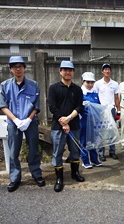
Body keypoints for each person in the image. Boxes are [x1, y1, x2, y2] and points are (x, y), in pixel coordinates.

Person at [0, 56, 45, 192]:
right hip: (14, 123)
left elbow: (36, 105)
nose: (18, 69)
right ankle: (15, 178)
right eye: (14, 66)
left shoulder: (34, 84)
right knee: (13, 151)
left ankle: (36, 174)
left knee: (34, 149)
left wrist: (29, 119)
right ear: (11, 69)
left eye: (20, 66)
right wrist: (16, 120)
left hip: (30, 122)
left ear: (24, 68)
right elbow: (3, 106)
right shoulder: (5, 85)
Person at [48, 60, 85, 192]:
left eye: (70, 70)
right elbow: (52, 107)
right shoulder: (53, 88)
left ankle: (75, 173)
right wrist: (63, 122)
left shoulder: (77, 89)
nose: (67, 72)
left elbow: (79, 106)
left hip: (74, 125)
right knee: (57, 152)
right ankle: (59, 179)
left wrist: (68, 119)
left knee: (75, 151)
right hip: (58, 127)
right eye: (64, 69)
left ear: (73, 72)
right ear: (60, 71)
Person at [93, 63, 120, 161]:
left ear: (111, 71)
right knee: (101, 132)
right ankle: (101, 153)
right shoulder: (97, 84)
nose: (107, 71)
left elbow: (116, 98)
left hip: (112, 109)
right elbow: (95, 97)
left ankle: (112, 152)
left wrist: (119, 110)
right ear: (102, 71)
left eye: (108, 69)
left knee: (112, 131)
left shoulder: (115, 84)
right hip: (101, 110)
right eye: (105, 69)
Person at [79, 71, 103, 168]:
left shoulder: (95, 93)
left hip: (93, 121)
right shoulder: (80, 93)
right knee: (84, 141)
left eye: (91, 82)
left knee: (93, 141)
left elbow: (98, 106)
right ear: (83, 82)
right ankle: (85, 160)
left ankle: (94, 159)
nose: (90, 85)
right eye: (87, 82)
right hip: (83, 121)